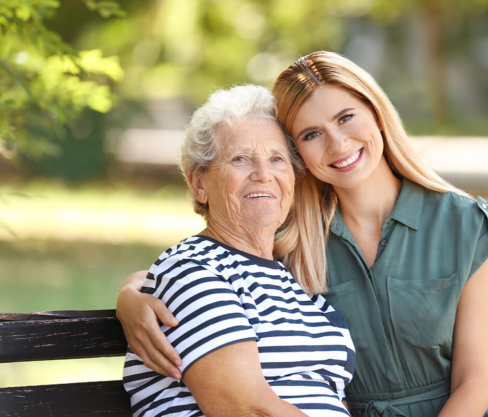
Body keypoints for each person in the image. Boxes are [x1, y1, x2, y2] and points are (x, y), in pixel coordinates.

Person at [117, 52, 488, 417]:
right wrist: (131, 297)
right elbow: (200, 270)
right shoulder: (290, 235)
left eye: (345, 118)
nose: (338, 144)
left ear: (376, 112)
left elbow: (473, 381)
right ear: (298, 152)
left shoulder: (462, 222)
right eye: (311, 134)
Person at [121, 84, 355, 417]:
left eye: (277, 159)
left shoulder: (294, 285)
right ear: (199, 184)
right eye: (240, 159)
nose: (263, 175)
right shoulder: (193, 272)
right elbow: (246, 409)